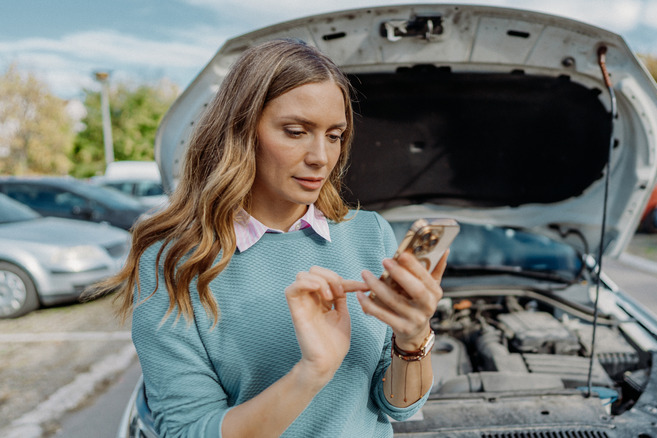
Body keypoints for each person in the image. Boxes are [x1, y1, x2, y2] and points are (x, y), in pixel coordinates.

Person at [87, 39, 445, 437]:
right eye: (296, 131)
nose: (321, 157)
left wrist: (413, 339)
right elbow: (187, 431)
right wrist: (311, 373)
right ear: (241, 130)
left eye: (334, 135)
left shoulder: (370, 232)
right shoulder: (172, 261)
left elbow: (398, 405)